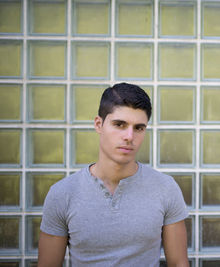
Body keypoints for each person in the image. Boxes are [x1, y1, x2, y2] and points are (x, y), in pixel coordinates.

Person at [38, 83, 189, 267]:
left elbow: (179, 263)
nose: (129, 136)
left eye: (138, 128)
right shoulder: (62, 194)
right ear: (98, 124)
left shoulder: (165, 188)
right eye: (119, 124)